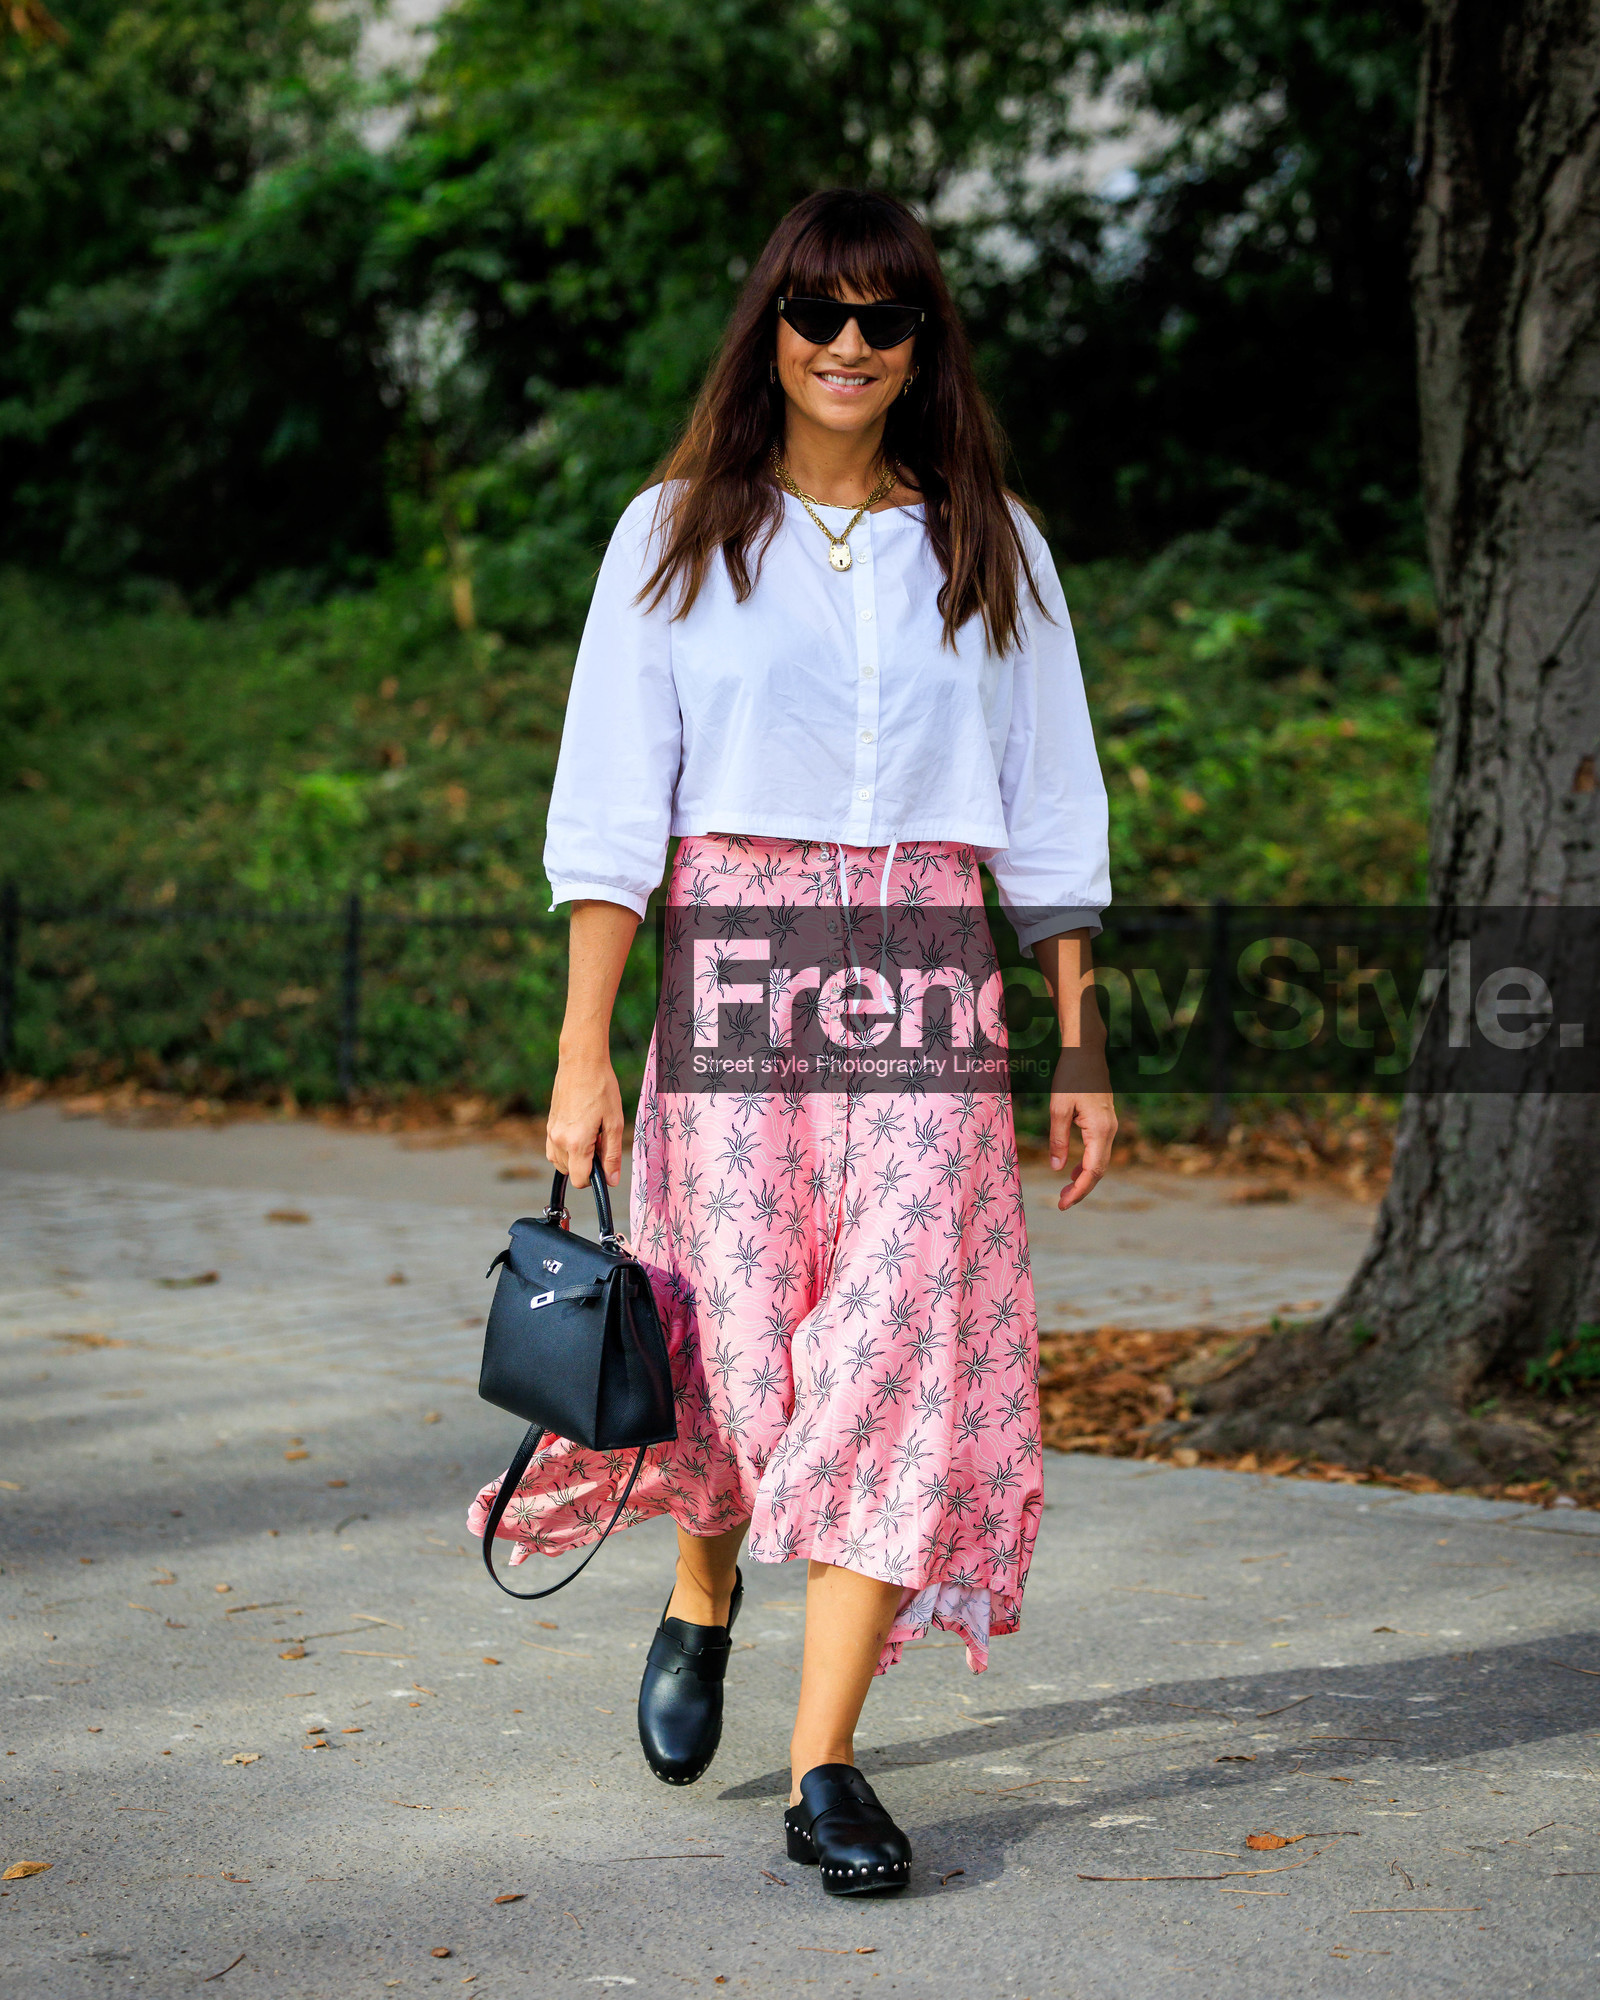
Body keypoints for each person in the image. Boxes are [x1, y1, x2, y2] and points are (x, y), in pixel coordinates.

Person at [469, 186, 1115, 1896]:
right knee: (740, 1345)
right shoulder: (676, 532)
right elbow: (612, 816)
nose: (848, 344)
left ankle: (825, 1764)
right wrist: (583, 1054)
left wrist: (1081, 1040)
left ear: (922, 349)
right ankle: (703, 1586)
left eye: (883, 320)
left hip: (926, 982)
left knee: (898, 1355)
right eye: (817, 314)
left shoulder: (993, 544)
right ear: (772, 331)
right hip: (739, 976)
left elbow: (1053, 815)